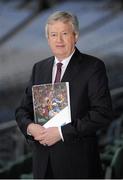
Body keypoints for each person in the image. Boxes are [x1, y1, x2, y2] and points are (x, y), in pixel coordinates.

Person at [15, 11, 113, 179]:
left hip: (78, 165)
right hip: (43, 165)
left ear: (75, 36)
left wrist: (61, 133)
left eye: (64, 34)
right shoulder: (39, 68)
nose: (58, 40)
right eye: (54, 34)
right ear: (48, 39)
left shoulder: (93, 67)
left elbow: (102, 113)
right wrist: (30, 127)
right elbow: (22, 110)